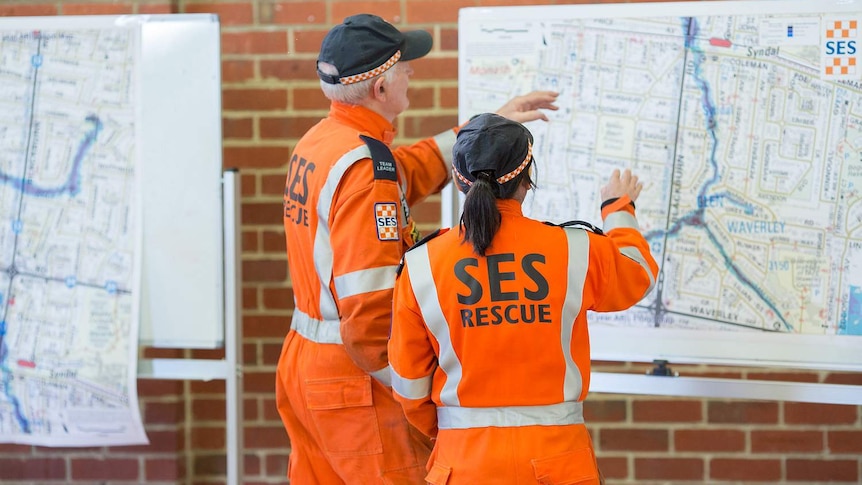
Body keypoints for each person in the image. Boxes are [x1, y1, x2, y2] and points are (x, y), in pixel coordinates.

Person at [275, 13, 559, 484]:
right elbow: (369, 318)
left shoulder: (326, 143)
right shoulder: (365, 170)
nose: (413, 74)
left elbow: (405, 169)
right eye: (405, 66)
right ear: (381, 89)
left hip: (307, 368)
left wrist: (485, 126)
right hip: (354, 384)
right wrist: (418, 397)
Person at [387, 113, 659, 484]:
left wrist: (453, 429)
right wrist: (617, 208)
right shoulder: (573, 250)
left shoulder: (420, 265)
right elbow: (638, 271)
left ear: (456, 179)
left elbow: (408, 385)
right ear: (528, 181)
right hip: (560, 463)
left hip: (464, 465)